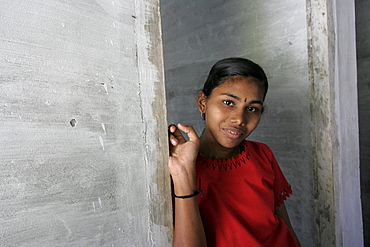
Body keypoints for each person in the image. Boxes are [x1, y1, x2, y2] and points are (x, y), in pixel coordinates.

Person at [168, 57, 301, 247]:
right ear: (202, 103)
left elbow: (286, 228)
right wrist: (183, 174)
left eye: (252, 108)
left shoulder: (263, 154)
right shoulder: (178, 166)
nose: (239, 119)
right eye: (229, 103)